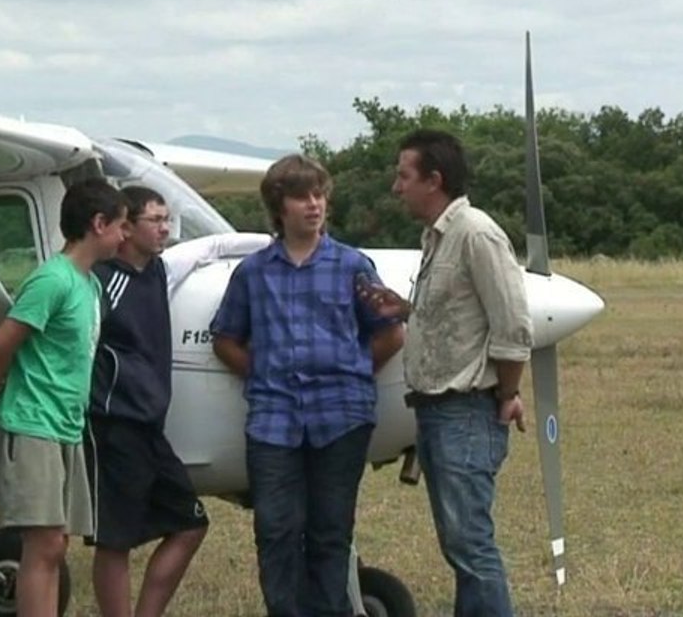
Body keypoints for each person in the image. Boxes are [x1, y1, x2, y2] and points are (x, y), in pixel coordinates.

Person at [209, 154, 404, 617]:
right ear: (280, 207)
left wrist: (353, 372)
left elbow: (390, 332)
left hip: (342, 417)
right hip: (273, 420)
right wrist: (263, 376)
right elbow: (226, 339)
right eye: (302, 197)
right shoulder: (254, 273)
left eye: (319, 195)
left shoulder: (352, 265)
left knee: (330, 530)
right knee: (275, 528)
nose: (314, 205)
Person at [360, 128, 533, 617]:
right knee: (462, 544)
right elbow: (460, 316)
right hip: (437, 413)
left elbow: (514, 326)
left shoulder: (475, 233)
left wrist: (507, 393)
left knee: (471, 545)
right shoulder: (438, 237)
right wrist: (409, 308)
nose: (397, 187)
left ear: (433, 180)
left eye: (404, 176)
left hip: (465, 411)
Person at [0, 177, 127, 617]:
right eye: (120, 226)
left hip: (65, 424)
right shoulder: (52, 281)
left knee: (54, 545)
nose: (124, 236)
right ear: (98, 224)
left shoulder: (90, 285)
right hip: (32, 421)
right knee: (43, 544)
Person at [86, 186, 209, 617]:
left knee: (192, 524)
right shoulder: (100, 282)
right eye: (154, 220)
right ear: (125, 228)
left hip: (151, 426)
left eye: (166, 219)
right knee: (115, 539)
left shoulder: (157, 271)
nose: (165, 229)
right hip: (113, 424)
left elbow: (208, 248)